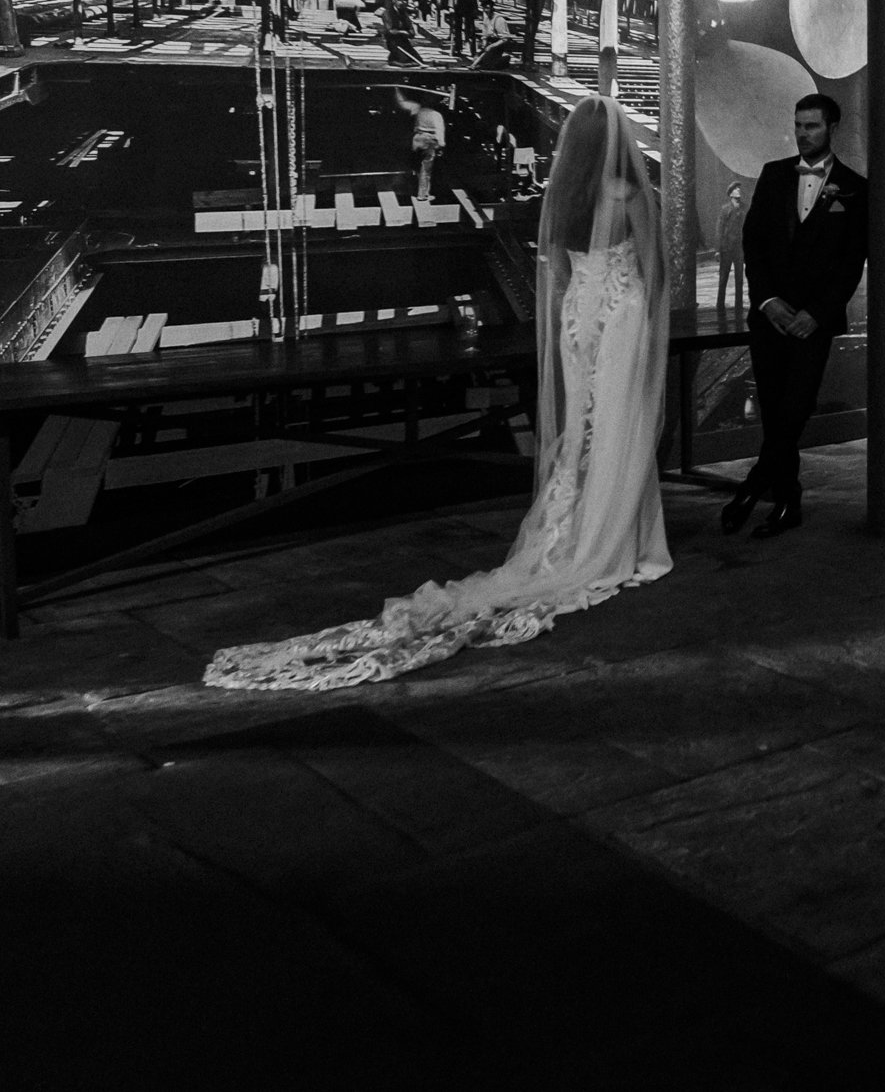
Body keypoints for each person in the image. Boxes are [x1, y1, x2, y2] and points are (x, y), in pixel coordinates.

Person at [205, 96, 671, 690]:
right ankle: (618, 541)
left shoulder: (569, 193)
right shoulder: (628, 194)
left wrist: (574, 312)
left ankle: (579, 530)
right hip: (621, 314)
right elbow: (653, 271)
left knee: (584, 422)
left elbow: (556, 267)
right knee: (619, 424)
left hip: (578, 317)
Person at [722, 94, 868, 539]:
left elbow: (850, 262)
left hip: (813, 322)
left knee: (796, 407)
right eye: (799, 125)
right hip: (769, 317)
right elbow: (753, 243)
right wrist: (766, 301)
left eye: (812, 126)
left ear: (832, 128)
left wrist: (817, 314)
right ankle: (788, 501)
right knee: (773, 409)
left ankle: (754, 486)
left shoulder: (855, 187)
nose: (803, 134)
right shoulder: (772, 175)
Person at [396, 88, 446, 201]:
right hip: (429, 142)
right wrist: (441, 146)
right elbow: (439, 131)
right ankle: (422, 195)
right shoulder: (436, 115)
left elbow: (402, 103)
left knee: (417, 167)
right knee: (426, 169)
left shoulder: (417, 109)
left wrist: (397, 90)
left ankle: (414, 189)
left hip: (417, 140)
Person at [714, 181, 748, 313]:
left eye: (739, 188)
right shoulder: (725, 209)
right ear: (730, 193)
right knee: (723, 277)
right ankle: (719, 305)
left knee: (739, 278)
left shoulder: (745, 208)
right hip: (727, 248)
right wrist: (718, 249)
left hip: (739, 249)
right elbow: (719, 229)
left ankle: (738, 306)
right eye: (736, 189)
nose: (738, 190)